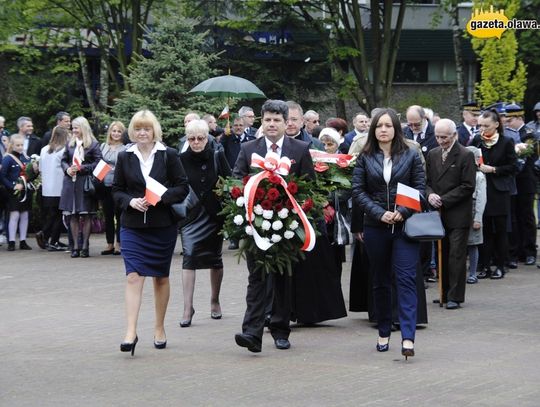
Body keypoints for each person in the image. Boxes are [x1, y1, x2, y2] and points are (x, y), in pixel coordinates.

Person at [233, 99, 315, 353]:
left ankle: (280, 329)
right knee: (256, 279)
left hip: (286, 225)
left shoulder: (300, 149)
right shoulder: (248, 149)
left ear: (285, 123)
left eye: (277, 120)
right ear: (262, 121)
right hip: (255, 223)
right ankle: (252, 332)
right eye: (267, 119)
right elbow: (235, 179)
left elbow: (308, 186)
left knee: (282, 280)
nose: (272, 124)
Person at [113, 109, 189, 355]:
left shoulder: (169, 155)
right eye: (137, 129)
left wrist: (161, 197)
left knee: (161, 277)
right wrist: (130, 201)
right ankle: (130, 332)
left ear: (154, 130)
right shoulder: (125, 156)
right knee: (133, 276)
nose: (142, 133)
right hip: (132, 226)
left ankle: (159, 328)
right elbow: (116, 190)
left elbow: (182, 187)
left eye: (146, 128)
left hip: (162, 226)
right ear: (132, 132)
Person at [352, 107, 425, 359]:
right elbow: (358, 191)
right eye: (379, 126)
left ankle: (407, 337)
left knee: (405, 280)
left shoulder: (411, 155)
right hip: (376, 228)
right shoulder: (365, 156)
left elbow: (420, 189)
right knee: (380, 281)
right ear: (373, 129)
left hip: (405, 228)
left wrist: (403, 211)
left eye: (388, 125)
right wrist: (377, 213)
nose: (383, 130)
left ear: (396, 128)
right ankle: (384, 330)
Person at [178, 119, 232, 327]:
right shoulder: (180, 159)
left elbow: (230, 180)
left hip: (213, 215)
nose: (196, 142)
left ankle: (215, 300)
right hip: (191, 216)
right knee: (189, 256)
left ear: (207, 138)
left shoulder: (217, 155)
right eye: (191, 138)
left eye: (200, 138)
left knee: (215, 259)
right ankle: (187, 307)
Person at [426, 119, 476, 309]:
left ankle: (455, 295)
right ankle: (443, 292)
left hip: (458, 214)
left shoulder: (465, 155)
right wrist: (430, 195)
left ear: (454, 135)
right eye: (438, 137)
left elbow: (468, 186)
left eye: (445, 137)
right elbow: (427, 181)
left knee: (456, 255)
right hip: (438, 213)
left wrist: (443, 199)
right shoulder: (433, 154)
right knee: (441, 253)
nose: (441, 141)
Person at [471, 109, 518, 279]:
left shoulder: (506, 142)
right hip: (481, 191)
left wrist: (493, 170)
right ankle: (484, 266)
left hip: (499, 191)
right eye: (480, 126)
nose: (482, 129)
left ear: (497, 125)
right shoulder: (477, 140)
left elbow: (513, 167)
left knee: (500, 230)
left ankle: (500, 266)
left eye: (486, 126)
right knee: (484, 230)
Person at [59, 116, 102, 258]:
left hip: (84, 183)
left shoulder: (93, 144)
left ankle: (85, 246)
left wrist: (82, 167)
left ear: (83, 128)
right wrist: (67, 169)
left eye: (76, 127)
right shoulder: (70, 143)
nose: (73, 130)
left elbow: (98, 163)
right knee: (73, 215)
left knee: (86, 214)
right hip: (70, 182)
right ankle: (75, 247)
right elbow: (63, 160)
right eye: (73, 127)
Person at [505, 103, 538, 266]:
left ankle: (530, 251)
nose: (507, 123)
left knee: (526, 216)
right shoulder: (506, 134)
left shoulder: (529, 133)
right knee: (513, 216)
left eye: (510, 120)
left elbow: (526, 155)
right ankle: (515, 251)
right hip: (512, 181)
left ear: (519, 118)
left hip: (526, 181)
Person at [0, 134, 39, 251]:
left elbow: (30, 176)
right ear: (12, 145)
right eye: (17, 145)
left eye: (22, 145)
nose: (20, 147)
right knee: (14, 215)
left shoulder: (26, 158)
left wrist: (36, 171)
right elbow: (2, 176)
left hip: (25, 191)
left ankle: (23, 241)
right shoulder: (8, 158)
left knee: (25, 215)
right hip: (13, 192)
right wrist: (13, 186)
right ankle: (11, 241)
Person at [36, 126, 70, 251]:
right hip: (59, 187)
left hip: (47, 188)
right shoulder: (63, 150)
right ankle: (52, 239)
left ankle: (47, 236)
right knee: (58, 216)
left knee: (52, 214)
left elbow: (40, 169)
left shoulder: (45, 149)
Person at [99, 121, 127, 255]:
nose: (116, 134)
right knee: (108, 215)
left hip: (119, 186)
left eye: (119, 131)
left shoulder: (126, 148)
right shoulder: (103, 146)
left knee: (119, 215)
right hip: (104, 185)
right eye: (113, 131)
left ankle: (119, 244)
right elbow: (98, 163)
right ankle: (109, 243)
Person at [465, 146, 487, 284]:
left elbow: (481, 198)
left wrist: (478, 218)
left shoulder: (479, 176)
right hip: (461, 209)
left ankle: (472, 273)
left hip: (473, 210)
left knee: (473, 244)